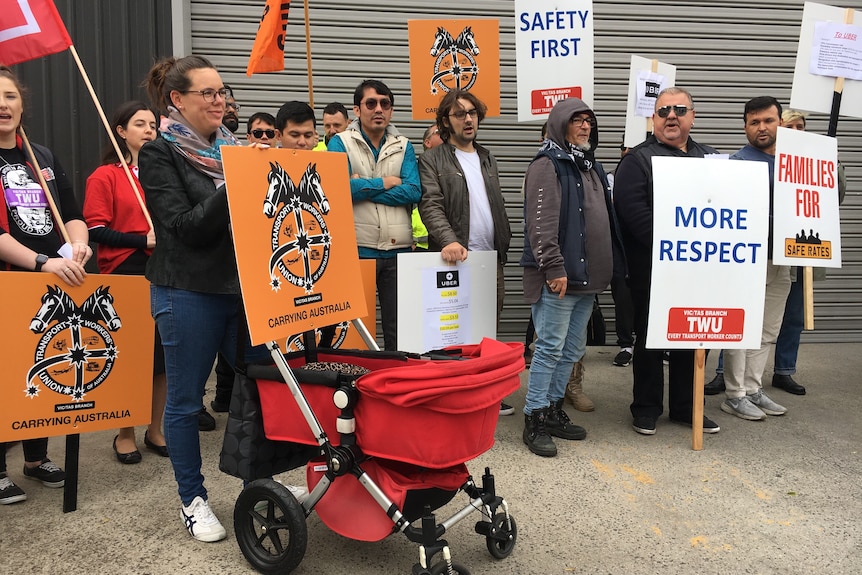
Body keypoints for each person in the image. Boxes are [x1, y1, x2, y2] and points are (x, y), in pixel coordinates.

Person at [139, 55, 292, 542]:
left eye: (222, 91)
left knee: (257, 387)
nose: (219, 100)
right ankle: (193, 499)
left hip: (242, 291)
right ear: (177, 100)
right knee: (185, 402)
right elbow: (183, 228)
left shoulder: (235, 149)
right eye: (207, 92)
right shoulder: (158, 153)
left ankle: (258, 483)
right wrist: (236, 180)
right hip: (186, 290)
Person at [0, 65, 92, 503]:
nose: (3, 104)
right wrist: (40, 263)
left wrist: (77, 246)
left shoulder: (42, 156)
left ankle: (36, 459)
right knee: (4, 375)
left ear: (23, 104)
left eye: (11, 96)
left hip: (48, 280)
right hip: (11, 280)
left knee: (45, 367)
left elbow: (71, 210)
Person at [519, 97, 625, 457]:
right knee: (549, 348)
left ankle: (551, 410)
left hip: (588, 279)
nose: (584, 127)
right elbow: (540, 224)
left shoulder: (589, 164)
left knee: (571, 350)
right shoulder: (548, 165)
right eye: (576, 121)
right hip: (560, 278)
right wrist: (553, 267)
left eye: (588, 122)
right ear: (559, 124)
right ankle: (533, 418)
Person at [614, 87, 721, 436]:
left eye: (679, 110)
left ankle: (686, 408)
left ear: (692, 116)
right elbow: (633, 214)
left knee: (692, 336)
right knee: (649, 338)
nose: (670, 116)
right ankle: (646, 408)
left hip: (700, 270)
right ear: (653, 119)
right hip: (653, 269)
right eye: (662, 111)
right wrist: (676, 246)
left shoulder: (713, 160)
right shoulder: (637, 160)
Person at [417, 89, 514, 416]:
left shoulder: (487, 157)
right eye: (460, 114)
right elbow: (430, 204)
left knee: (488, 329)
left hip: (490, 259)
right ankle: (452, 395)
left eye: (472, 112)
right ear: (446, 120)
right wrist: (447, 239)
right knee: (452, 330)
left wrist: (505, 240)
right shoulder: (433, 158)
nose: (468, 119)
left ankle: (486, 393)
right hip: (455, 258)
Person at [83, 101, 169, 462]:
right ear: (121, 131)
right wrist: (141, 239)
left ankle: (155, 428)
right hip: (126, 270)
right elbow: (95, 229)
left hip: (164, 269)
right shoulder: (105, 176)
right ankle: (124, 432)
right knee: (130, 354)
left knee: (163, 355)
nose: (149, 130)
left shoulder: (164, 174)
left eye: (153, 125)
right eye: (140, 124)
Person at [327, 79, 421, 351]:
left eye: (385, 104)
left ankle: (397, 386)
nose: (378, 109)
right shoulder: (340, 142)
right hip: (358, 250)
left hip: (398, 251)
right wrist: (386, 182)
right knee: (358, 334)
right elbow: (338, 189)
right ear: (357, 109)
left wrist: (362, 186)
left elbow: (413, 192)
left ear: (391, 110)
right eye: (371, 103)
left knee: (400, 333)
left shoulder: (405, 145)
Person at [720, 96, 791, 421]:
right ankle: (734, 394)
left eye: (768, 121)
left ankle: (753, 388)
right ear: (745, 126)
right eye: (754, 122)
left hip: (784, 257)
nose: (762, 128)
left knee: (767, 328)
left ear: (780, 122)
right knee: (742, 327)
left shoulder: (797, 164)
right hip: (749, 259)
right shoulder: (737, 164)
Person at [608, 141, 635, 368]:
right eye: (624, 146)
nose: (628, 151)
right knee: (623, 297)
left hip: (646, 246)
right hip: (618, 247)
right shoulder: (610, 178)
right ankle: (626, 344)